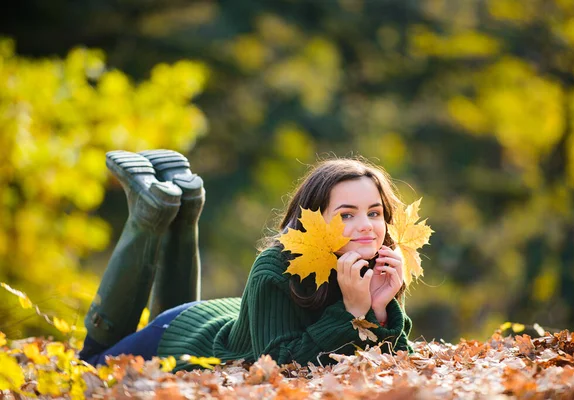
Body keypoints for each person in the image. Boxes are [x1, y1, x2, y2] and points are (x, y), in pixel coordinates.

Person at [79, 149, 412, 371]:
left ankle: (184, 207)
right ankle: (148, 214)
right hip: (186, 333)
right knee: (90, 363)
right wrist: (352, 312)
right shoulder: (275, 268)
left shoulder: (379, 264)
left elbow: (395, 361)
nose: (366, 225)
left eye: (374, 212)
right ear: (314, 219)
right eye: (346, 215)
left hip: (233, 317)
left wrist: (380, 312)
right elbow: (279, 365)